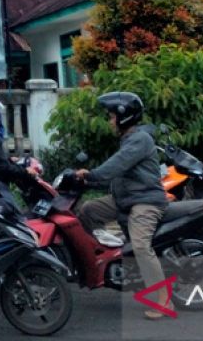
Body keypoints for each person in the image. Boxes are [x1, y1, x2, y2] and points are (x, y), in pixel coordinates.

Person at [75, 92, 173, 320]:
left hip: (145, 200)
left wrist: (91, 175)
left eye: (111, 117)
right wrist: (87, 179)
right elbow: (116, 171)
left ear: (123, 117)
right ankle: (104, 259)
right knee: (88, 210)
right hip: (125, 198)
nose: (110, 122)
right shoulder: (129, 138)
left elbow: (115, 165)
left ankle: (163, 298)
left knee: (140, 246)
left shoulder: (139, 139)